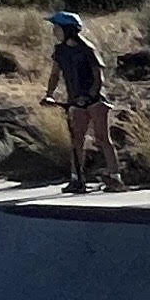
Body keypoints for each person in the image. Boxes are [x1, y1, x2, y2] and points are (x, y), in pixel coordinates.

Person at [43, 10, 116, 190]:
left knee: (102, 138)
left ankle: (115, 177)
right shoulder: (60, 51)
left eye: (57, 28)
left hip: (95, 100)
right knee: (77, 139)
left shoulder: (87, 49)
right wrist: (49, 94)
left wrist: (90, 96)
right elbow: (54, 74)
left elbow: (99, 77)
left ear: (68, 30)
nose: (54, 31)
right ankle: (77, 178)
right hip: (76, 100)